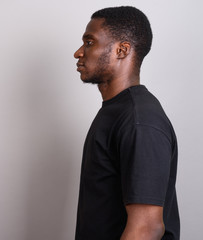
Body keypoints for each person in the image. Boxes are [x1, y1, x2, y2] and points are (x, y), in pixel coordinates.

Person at [74, 6, 180, 240]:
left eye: (89, 43)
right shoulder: (117, 111)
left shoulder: (140, 121)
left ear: (122, 50)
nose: (78, 52)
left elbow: (146, 229)